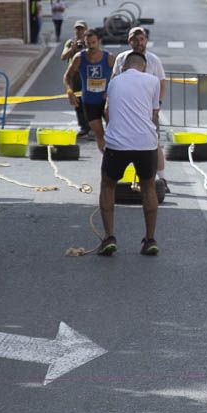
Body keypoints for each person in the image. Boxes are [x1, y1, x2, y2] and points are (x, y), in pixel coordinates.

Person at [96, 51, 162, 257]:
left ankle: (109, 237)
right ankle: (150, 240)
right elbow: (154, 113)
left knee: (108, 184)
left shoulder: (114, 82)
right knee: (148, 187)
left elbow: (107, 111)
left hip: (118, 143)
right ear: (144, 66)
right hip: (145, 142)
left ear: (123, 67)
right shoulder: (153, 81)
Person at [115, 26, 170, 193]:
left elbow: (161, 83)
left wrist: (157, 105)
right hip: (126, 112)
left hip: (148, 112)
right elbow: (114, 81)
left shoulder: (153, 60)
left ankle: (162, 179)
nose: (138, 43)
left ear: (146, 40)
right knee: (123, 145)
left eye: (141, 39)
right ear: (129, 41)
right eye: (134, 39)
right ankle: (119, 179)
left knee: (154, 144)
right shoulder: (121, 58)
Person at [63, 29, 115, 153]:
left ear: (99, 42)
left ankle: (116, 158)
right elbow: (67, 76)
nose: (91, 46)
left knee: (114, 133)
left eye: (93, 42)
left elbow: (119, 77)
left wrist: (111, 93)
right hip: (89, 102)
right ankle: (106, 159)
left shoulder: (110, 58)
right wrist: (70, 92)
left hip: (107, 101)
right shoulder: (79, 58)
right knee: (99, 134)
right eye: (88, 43)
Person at [61, 21, 92, 136]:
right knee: (77, 102)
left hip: (87, 75)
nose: (79, 31)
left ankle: (92, 127)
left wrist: (85, 47)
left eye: (81, 29)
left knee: (90, 101)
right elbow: (63, 57)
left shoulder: (90, 41)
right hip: (74, 75)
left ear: (86, 30)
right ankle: (84, 127)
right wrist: (73, 48)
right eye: (77, 29)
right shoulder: (70, 42)